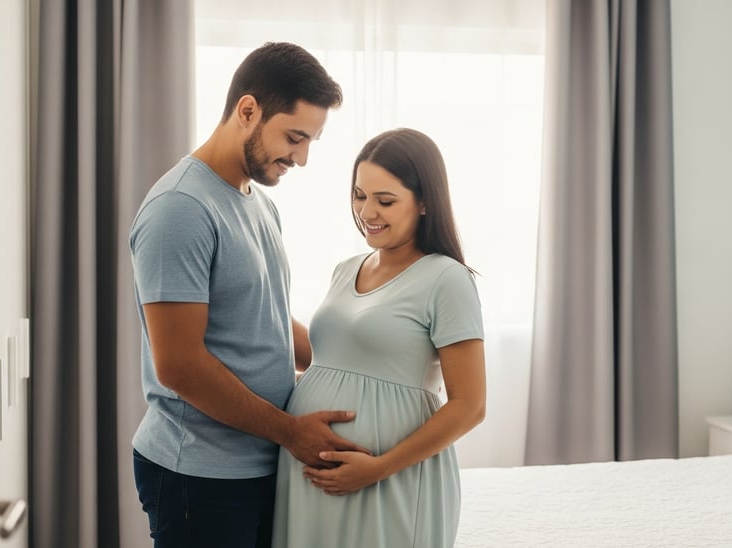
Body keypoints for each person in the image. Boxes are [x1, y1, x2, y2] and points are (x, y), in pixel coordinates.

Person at [128, 42, 368, 548]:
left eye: (310, 143)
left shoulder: (256, 202)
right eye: (294, 137)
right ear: (247, 110)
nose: (301, 158)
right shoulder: (181, 209)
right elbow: (179, 365)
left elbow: (270, 322)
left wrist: (361, 365)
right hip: (200, 474)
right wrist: (289, 431)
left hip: (258, 463)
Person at [272, 128, 487, 548]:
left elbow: (470, 406)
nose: (367, 211)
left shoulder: (447, 279)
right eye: (359, 195)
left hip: (388, 478)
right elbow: (330, 360)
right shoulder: (346, 268)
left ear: (424, 202)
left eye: (385, 200)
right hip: (308, 475)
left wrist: (378, 468)